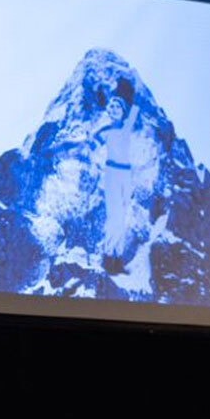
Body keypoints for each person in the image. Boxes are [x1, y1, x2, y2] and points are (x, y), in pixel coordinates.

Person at [94, 77, 141, 274]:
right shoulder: (104, 130)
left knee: (122, 218)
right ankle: (108, 255)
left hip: (126, 174)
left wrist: (131, 90)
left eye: (117, 107)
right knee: (114, 216)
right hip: (112, 172)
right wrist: (103, 100)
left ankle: (118, 258)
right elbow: (94, 138)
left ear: (124, 111)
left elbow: (135, 106)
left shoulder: (127, 126)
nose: (114, 110)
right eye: (111, 108)